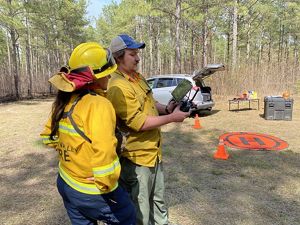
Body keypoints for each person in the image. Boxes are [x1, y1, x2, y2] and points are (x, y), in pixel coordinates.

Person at [40, 42, 136, 225]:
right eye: (106, 72)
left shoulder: (65, 100)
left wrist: (74, 156)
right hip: (92, 191)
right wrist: (104, 181)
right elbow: (105, 151)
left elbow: (48, 137)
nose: (109, 76)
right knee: (127, 215)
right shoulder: (98, 104)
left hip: (66, 183)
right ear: (94, 77)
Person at [107, 34, 190, 225]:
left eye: (137, 53)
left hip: (154, 153)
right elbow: (138, 122)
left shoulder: (138, 78)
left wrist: (167, 108)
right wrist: (171, 118)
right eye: (132, 54)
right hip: (136, 159)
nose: (137, 58)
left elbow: (151, 104)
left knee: (158, 201)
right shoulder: (117, 86)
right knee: (140, 209)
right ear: (119, 56)